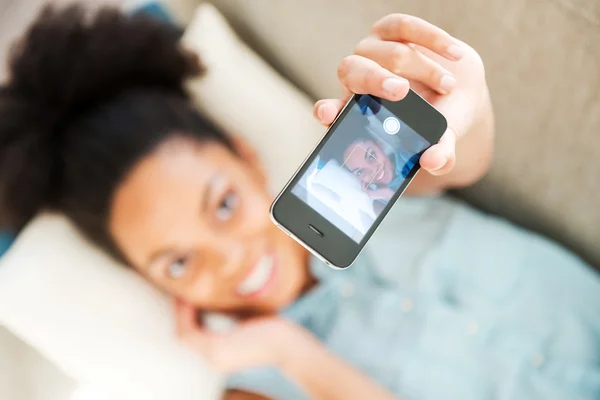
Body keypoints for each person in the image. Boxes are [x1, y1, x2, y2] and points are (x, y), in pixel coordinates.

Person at [1, 5, 599, 400]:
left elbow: (458, 160)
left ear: (247, 157)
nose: (230, 260)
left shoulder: (357, 189)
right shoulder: (256, 385)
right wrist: (292, 354)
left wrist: (462, 106)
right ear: (148, 280)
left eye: (224, 205)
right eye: (178, 264)